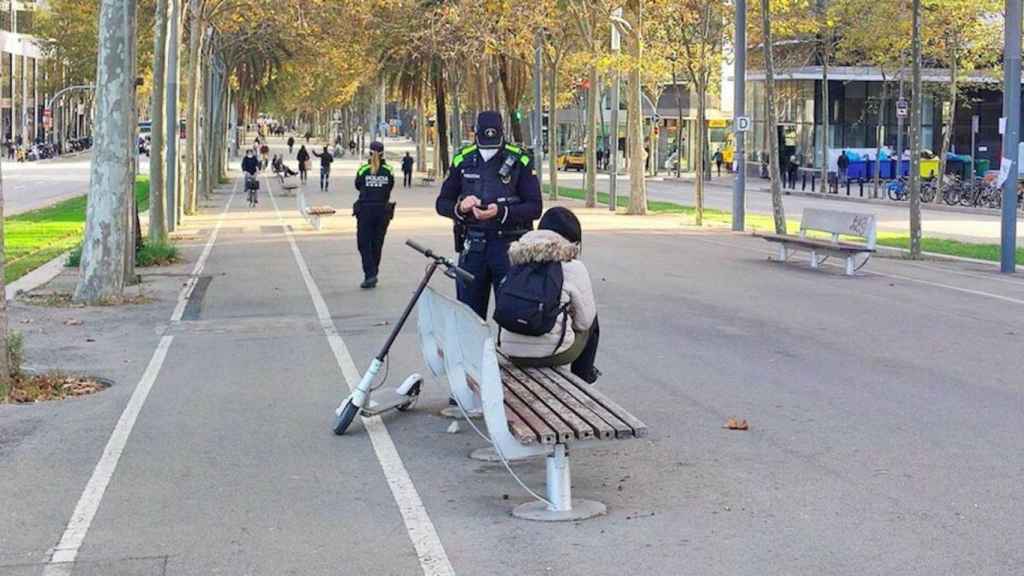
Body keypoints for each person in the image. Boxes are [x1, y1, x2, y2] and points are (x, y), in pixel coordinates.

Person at [436, 110, 542, 319]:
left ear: (503, 133)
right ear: (475, 134)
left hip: (509, 248)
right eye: (485, 140)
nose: (489, 148)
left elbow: (535, 207)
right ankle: (474, 352)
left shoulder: (520, 159)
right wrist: (461, 208)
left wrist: (502, 212)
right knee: (469, 318)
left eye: (494, 141)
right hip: (473, 248)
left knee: (514, 316)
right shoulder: (462, 159)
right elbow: (442, 203)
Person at [498, 207, 601, 384]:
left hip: (510, 350)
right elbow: (583, 322)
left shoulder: (517, 257)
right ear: (573, 240)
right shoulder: (573, 266)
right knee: (592, 323)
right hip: (554, 353)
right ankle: (583, 379)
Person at [354, 141, 396, 289]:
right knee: (377, 243)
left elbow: (358, 185)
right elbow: (390, 186)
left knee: (363, 243)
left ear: (369, 153)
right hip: (382, 212)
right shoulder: (389, 170)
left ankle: (370, 274)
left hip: (365, 211)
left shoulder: (363, 169)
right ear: (383, 153)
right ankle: (373, 273)